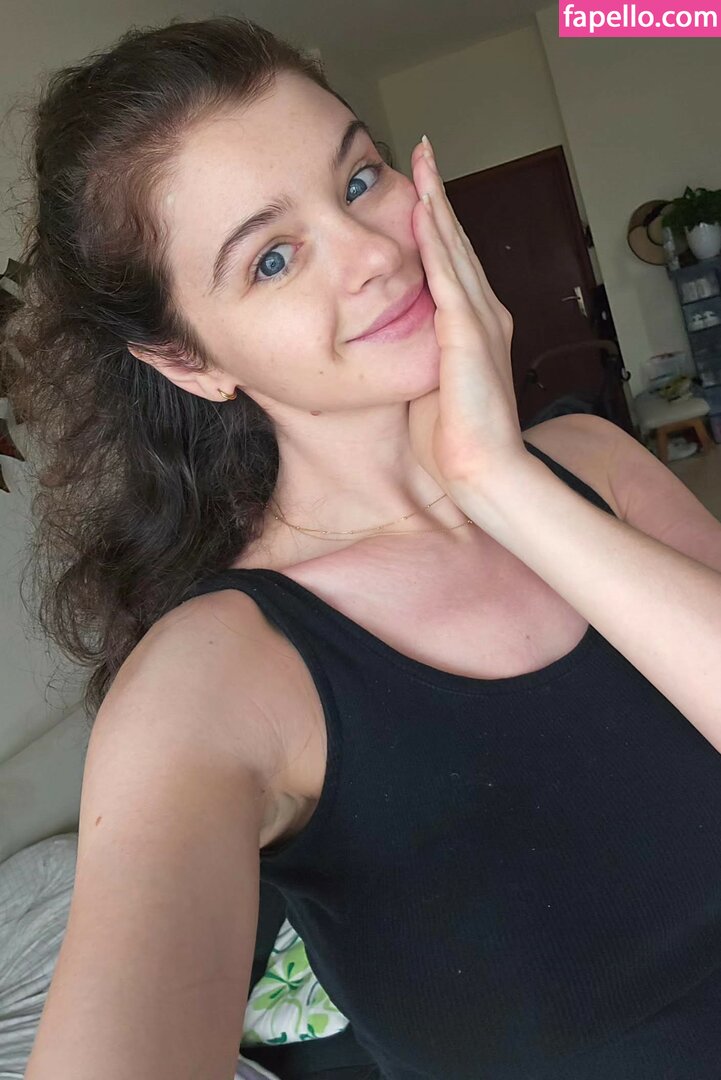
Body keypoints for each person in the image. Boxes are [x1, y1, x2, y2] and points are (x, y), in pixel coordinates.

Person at [5, 15, 721, 1080]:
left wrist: (502, 482)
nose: (377, 254)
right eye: (272, 259)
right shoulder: (212, 680)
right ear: (190, 361)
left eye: (357, 180)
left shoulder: (595, 462)